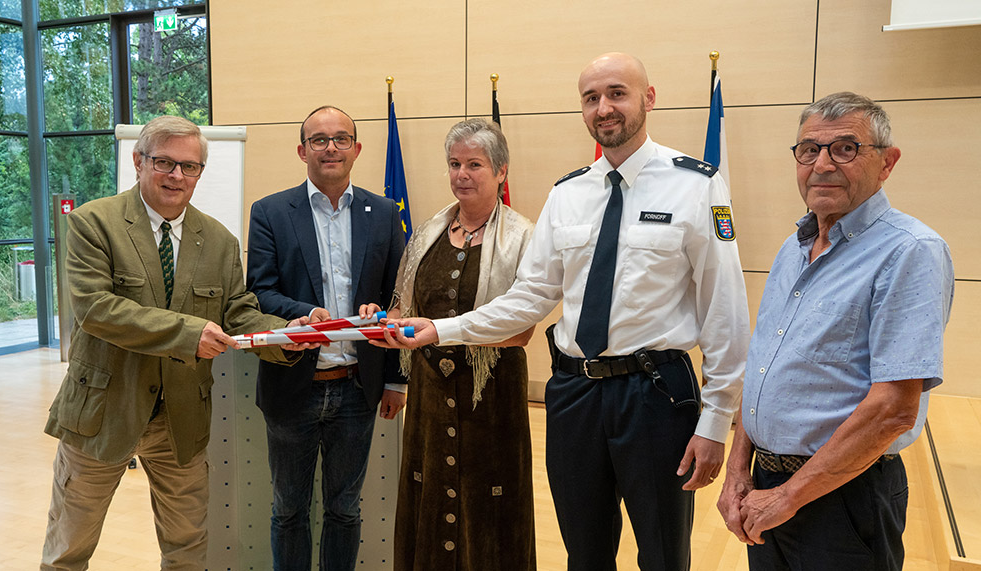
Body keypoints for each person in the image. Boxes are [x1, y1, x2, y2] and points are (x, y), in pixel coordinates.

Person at [383, 53, 750, 571]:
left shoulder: (696, 185)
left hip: (655, 394)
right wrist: (440, 329)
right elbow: (530, 296)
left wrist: (716, 419)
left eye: (617, 93)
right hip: (575, 395)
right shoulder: (568, 193)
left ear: (649, 98)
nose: (604, 108)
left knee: (665, 555)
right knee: (584, 550)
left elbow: (725, 309)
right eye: (591, 97)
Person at [41, 115, 306, 571]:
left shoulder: (220, 241)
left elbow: (237, 312)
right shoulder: (93, 223)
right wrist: (188, 334)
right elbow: (95, 309)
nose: (177, 176)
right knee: (69, 546)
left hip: (180, 417)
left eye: (190, 167)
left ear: (201, 172)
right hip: (102, 412)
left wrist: (286, 333)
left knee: (186, 548)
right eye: (165, 162)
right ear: (138, 161)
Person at [716, 92, 954, 570]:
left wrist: (789, 497)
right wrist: (738, 467)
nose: (822, 164)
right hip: (768, 484)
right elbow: (764, 364)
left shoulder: (910, 252)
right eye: (808, 149)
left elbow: (893, 410)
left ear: (887, 163)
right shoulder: (793, 246)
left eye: (845, 148)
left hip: (843, 497)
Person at [364, 118, 536, 570]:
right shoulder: (426, 233)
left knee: (491, 504)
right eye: (455, 163)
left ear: (501, 171)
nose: (462, 173)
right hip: (429, 395)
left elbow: (520, 331)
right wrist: (384, 325)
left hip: (491, 397)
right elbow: (402, 310)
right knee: (428, 493)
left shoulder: (523, 236)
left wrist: (440, 329)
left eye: (474, 164)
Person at [246, 105, 407, 571]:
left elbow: (398, 297)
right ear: (302, 151)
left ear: (357, 148)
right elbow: (259, 292)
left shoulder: (384, 213)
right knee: (289, 510)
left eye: (341, 138)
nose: (330, 147)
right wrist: (304, 314)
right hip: (292, 386)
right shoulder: (271, 212)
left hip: (358, 387)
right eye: (318, 139)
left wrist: (396, 379)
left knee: (344, 509)